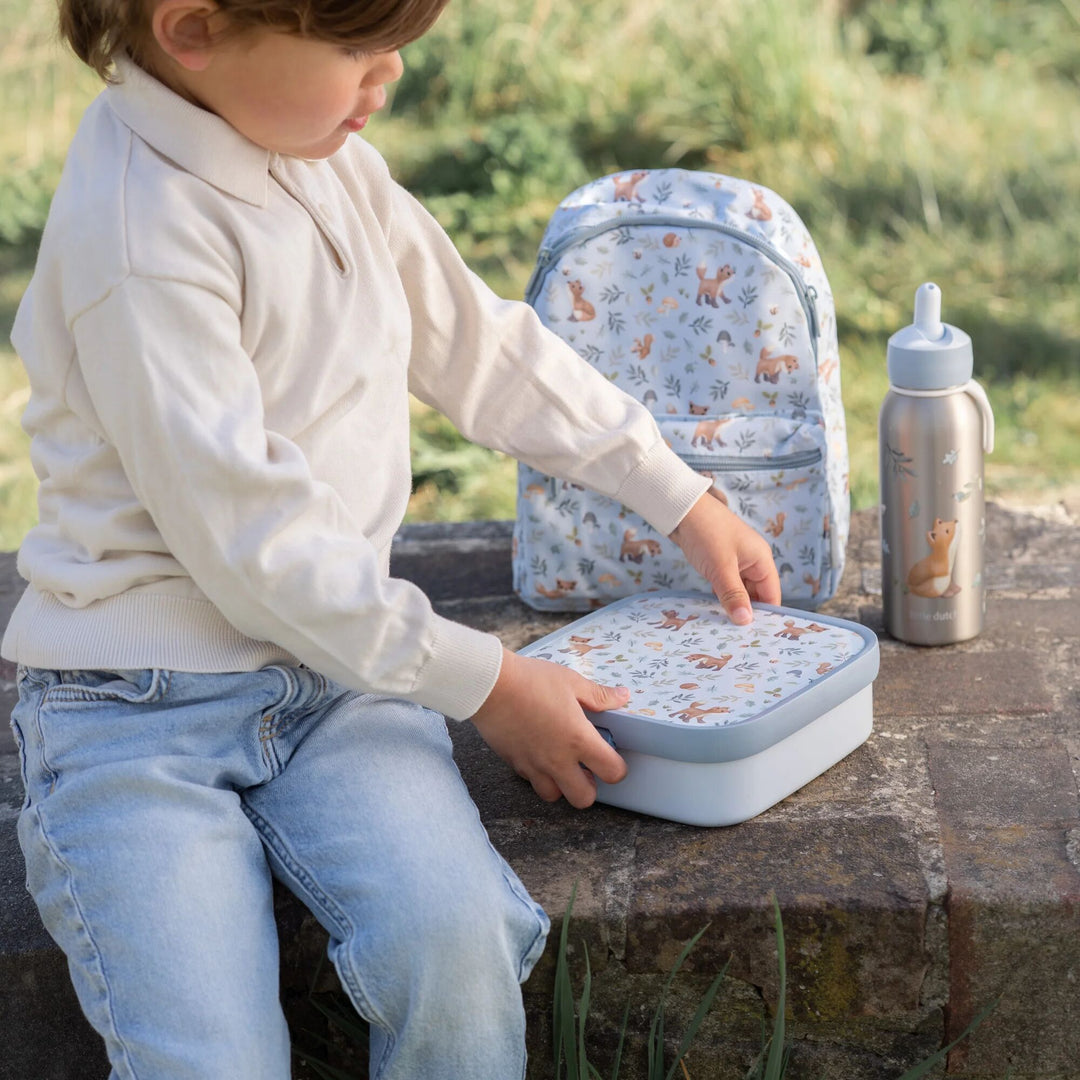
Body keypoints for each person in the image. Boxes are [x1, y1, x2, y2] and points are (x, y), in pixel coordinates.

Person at [3, 0, 782, 1076]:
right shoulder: (141, 239)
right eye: (359, 48)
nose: (395, 74)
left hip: (338, 683)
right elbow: (256, 550)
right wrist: (490, 682)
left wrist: (675, 493)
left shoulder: (321, 159)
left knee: (456, 944)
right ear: (192, 30)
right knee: (209, 1054)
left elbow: (479, 344)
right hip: (136, 715)